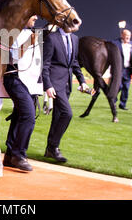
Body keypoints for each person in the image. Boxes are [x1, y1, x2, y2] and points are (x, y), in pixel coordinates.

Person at [42, 25, 88, 163]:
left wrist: (82, 81)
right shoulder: (51, 38)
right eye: (73, 23)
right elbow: (45, 64)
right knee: (67, 114)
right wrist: (48, 85)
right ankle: (54, 147)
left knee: (57, 117)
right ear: (65, 23)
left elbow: (74, 62)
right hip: (55, 84)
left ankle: (49, 150)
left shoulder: (75, 39)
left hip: (67, 84)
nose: (77, 25)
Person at [2, 15, 41, 171]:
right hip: (14, 78)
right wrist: (29, 42)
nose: (36, 18)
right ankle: (19, 155)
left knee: (19, 116)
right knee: (29, 117)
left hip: (30, 82)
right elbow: (13, 57)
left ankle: (10, 154)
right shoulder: (12, 33)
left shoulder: (33, 33)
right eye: (33, 15)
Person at [112, 29, 132, 110]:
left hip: (128, 69)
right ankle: (113, 101)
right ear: (122, 35)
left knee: (126, 88)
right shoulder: (115, 43)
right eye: (126, 35)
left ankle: (123, 104)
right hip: (118, 69)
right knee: (119, 86)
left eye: (129, 35)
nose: (128, 37)